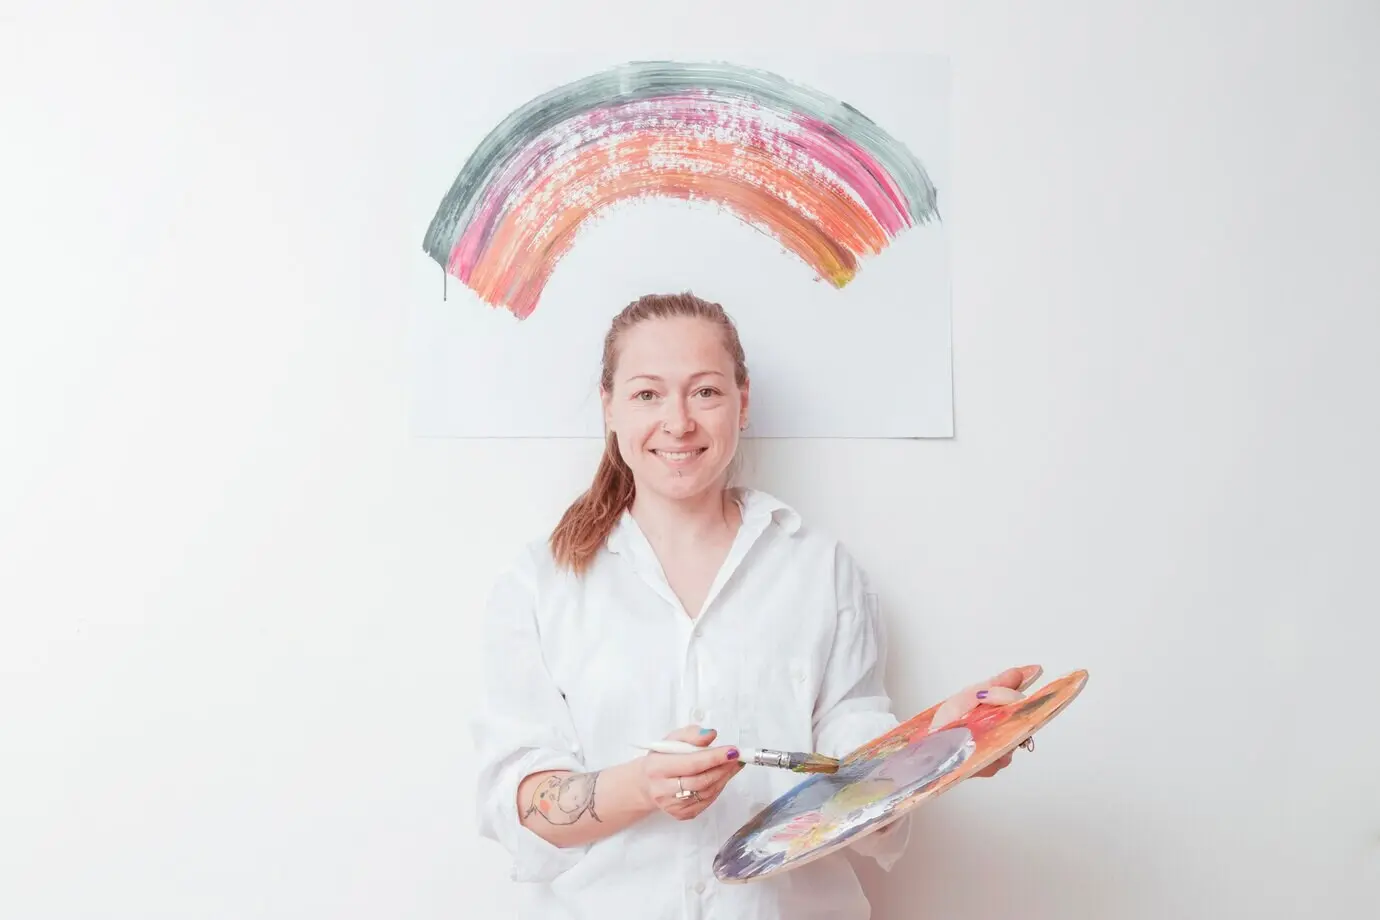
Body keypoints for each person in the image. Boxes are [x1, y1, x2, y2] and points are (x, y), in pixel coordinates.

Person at [470, 292, 1033, 919]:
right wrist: (641, 787)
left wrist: (940, 748)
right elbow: (520, 804)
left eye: (705, 392)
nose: (678, 422)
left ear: (743, 402)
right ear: (610, 407)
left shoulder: (821, 570)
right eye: (648, 394)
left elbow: (852, 778)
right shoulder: (539, 584)